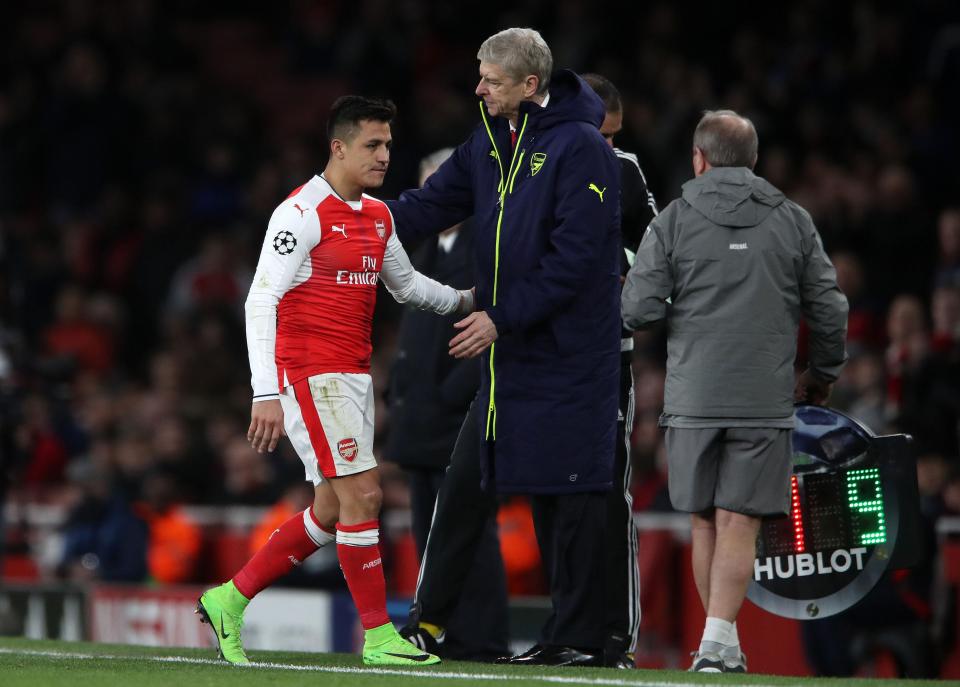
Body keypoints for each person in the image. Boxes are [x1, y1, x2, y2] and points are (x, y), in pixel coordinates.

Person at [196, 96, 474, 667]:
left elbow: (410, 286)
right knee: (365, 494)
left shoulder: (377, 216)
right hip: (310, 376)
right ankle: (377, 636)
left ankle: (230, 598)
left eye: (389, 145)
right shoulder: (299, 213)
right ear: (338, 147)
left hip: (351, 379)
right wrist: (265, 392)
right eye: (372, 145)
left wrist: (473, 301)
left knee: (330, 506)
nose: (384, 156)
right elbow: (261, 299)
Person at [387, 28, 622, 666]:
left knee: (565, 500)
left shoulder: (582, 148)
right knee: (461, 486)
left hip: (569, 358)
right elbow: (427, 205)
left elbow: (574, 262)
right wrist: (352, 224)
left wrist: (500, 317)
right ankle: (428, 624)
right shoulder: (490, 143)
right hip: (513, 359)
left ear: (528, 85)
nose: (478, 87)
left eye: (490, 78)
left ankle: (576, 638)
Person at [621, 109, 849, 673]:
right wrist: (821, 372)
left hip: (693, 397)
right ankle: (720, 642)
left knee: (703, 519)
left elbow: (638, 310)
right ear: (752, 161)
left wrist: (686, 303)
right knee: (739, 519)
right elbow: (830, 307)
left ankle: (717, 644)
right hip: (762, 398)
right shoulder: (793, 219)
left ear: (698, 159)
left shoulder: (671, 221)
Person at [384, 149, 509, 661]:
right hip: (420, 425)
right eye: (425, 184)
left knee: (468, 534)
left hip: (458, 419)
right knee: (429, 533)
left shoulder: (485, 243)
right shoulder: (426, 248)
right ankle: (438, 629)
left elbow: (492, 335)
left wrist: (447, 396)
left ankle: (480, 638)